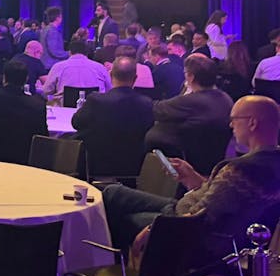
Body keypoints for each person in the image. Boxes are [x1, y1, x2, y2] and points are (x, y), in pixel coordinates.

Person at [103, 95, 280, 256]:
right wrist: (194, 178)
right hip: (187, 213)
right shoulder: (269, 162)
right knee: (113, 193)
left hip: (192, 232)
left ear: (252, 123)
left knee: (121, 215)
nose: (230, 125)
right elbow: (222, 198)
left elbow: (202, 215)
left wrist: (152, 229)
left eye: (234, 119)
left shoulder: (243, 169)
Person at [146, 53, 234, 174]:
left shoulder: (193, 100)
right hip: (213, 158)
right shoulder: (225, 98)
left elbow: (156, 108)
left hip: (189, 162)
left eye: (185, 73)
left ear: (191, 77)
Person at [71, 56, 154, 163]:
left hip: (96, 162)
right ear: (135, 78)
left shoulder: (96, 100)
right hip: (132, 164)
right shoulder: (146, 104)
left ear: (110, 75)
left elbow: (76, 123)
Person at [42, 40, 110, 103]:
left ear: (69, 52)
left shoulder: (58, 67)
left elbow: (46, 91)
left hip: (63, 110)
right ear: (87, 53)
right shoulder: (100, 68)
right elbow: (109, 90)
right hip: (94, 110)